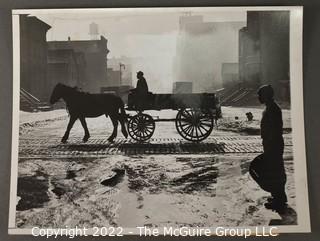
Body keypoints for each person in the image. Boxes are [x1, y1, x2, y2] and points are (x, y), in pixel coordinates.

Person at [249, 84, 287, 213]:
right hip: (271, 144)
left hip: (273, 145)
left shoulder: (273, 109)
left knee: (276, 172)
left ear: (266, 96)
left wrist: (270, 146)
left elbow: (275, 130)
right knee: (274, 171)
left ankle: (280, 201)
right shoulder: (270, 108)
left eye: (260, 95)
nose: (258, 97)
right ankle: (278, 197)